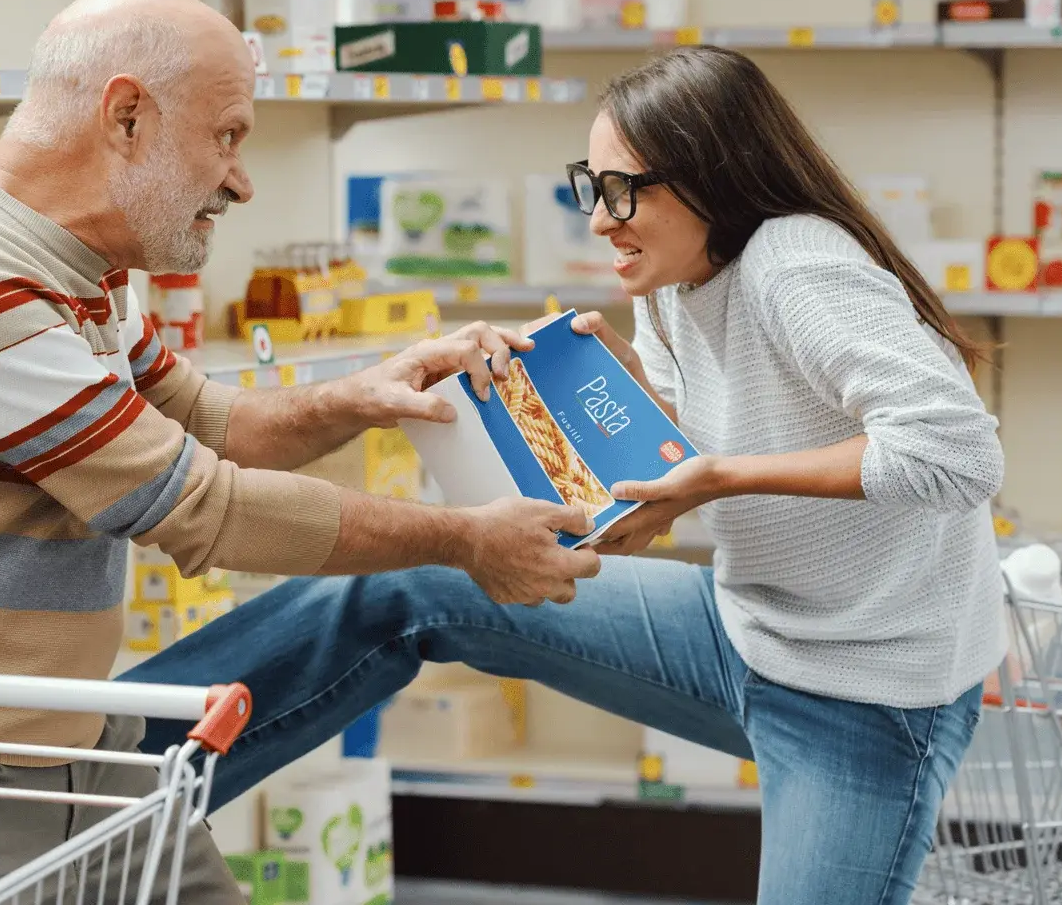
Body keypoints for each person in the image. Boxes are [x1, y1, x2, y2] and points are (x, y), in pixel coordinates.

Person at [0, 0, 599, 902]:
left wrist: (370, 395)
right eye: (227, 136)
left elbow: (213, 425)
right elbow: (201, 510)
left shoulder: (72, 262)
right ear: (127, 118)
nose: (241, 179)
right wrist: (464, 539)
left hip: (61, 747)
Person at [128, 46, 1007, 905]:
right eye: (590, 186)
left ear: (714, 175)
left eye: (621, 191)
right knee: (412, 588)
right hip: (748, 629)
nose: (599, 219)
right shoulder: (672, 278)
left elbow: (953, 452)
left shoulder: (798, 265)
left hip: (866, 694)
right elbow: (684, 436)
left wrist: (718, 481)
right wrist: (578, 383)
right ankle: (121, 772)